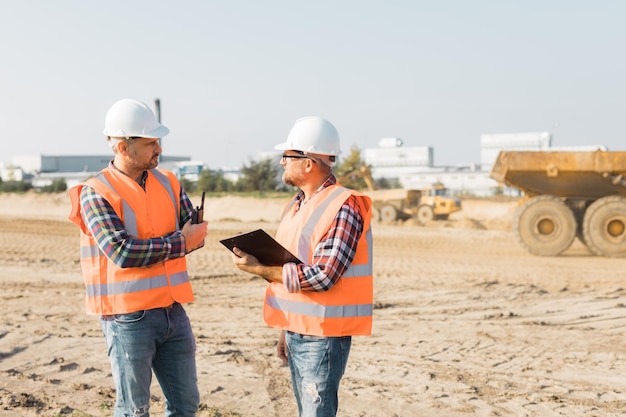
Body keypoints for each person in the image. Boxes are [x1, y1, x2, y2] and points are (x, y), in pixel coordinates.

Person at [68, 98, 208, 417]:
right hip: (128, 318)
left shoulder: (168, 182)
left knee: (185, 405)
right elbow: (122, 251)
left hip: (173, 310)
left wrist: (189, 238)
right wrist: (182, 241)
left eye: (158, 141)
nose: (158, 149)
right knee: (135, 409)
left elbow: (193, 232)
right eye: (150, 143)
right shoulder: (96, 192)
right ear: (123, 147)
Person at [230, 116, 373, 417]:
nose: (282, 162)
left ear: (308, 163)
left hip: (323, 337)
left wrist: (260, 270)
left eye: (288, 155)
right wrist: (287, 328)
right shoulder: (296, 205)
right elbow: (292, 265)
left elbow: (323, 276)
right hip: (299, 332)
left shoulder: (344, 206)